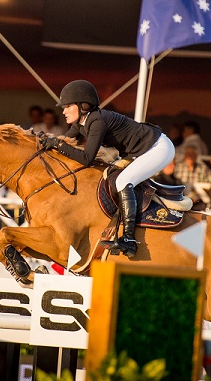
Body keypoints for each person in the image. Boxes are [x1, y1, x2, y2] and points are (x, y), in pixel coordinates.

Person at [39, 80, 174, 257]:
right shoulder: (82, 122)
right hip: (141, 150)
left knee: (123, 181)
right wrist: (45, 143)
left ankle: (129, 239)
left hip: (158, 147)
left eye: (67, 106)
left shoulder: (97, 121)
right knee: (114, 177)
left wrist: (56, 143)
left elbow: (87, 159)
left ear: (83, 106)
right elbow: (64, 142)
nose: (63, 111)